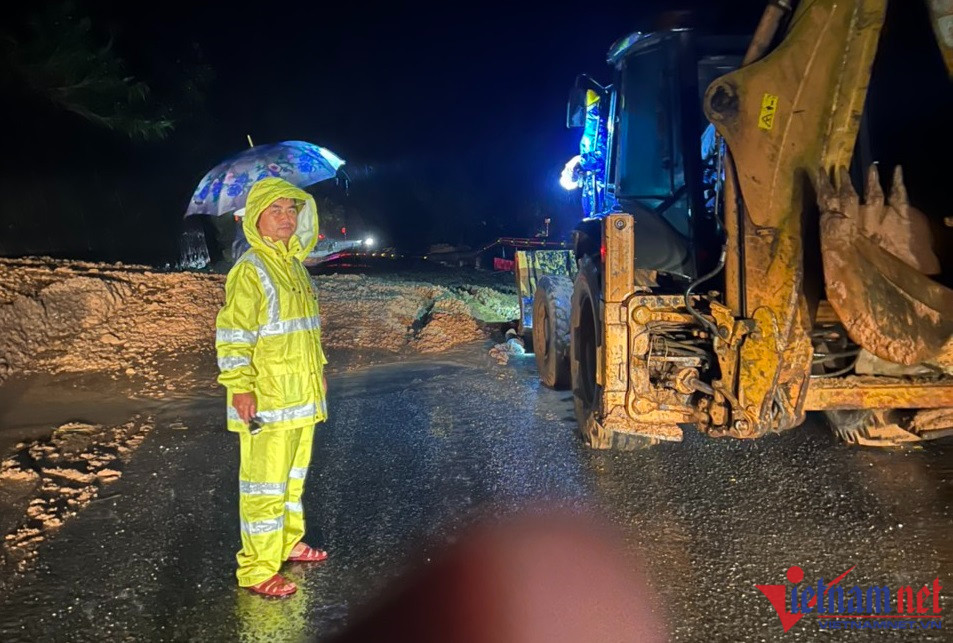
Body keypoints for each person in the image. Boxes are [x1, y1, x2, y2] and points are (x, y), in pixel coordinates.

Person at [215, 177, 329, 597]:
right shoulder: (250, 270)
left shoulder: (295, 267)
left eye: (291, 210)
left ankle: (286, 543)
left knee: (292, 480)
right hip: (266, 400)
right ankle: (257, 568)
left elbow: (305, 333)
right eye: (275, 210)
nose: (286, 217)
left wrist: (319, 371)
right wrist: (240, 388)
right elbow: (233, 335)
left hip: (301, 397)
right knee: (263, 485)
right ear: (256, 220)